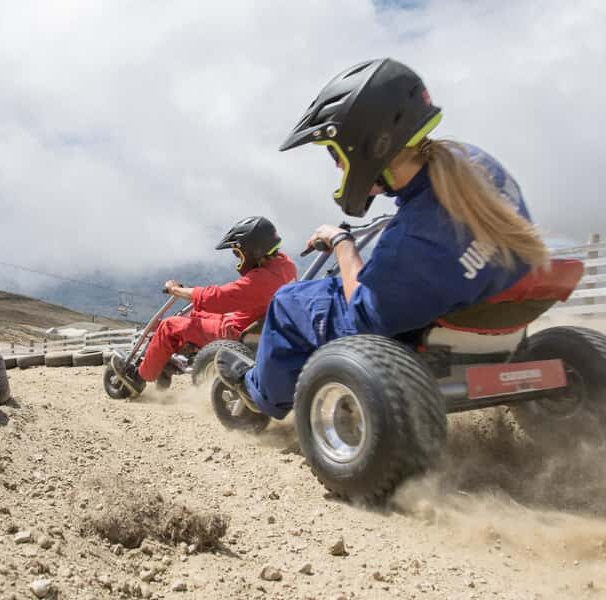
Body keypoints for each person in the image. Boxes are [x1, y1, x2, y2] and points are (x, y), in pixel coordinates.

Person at [215, 58, 550, 419]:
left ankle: (259, 393)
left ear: (368, 146)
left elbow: (362, 316)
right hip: (493, 302)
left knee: (287, 301)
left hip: (415, 323)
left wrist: (342, 242)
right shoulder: (474, 165)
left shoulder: (411, 236)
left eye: (336, 152)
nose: (337, 166)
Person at [110, 216, 297, 395]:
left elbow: (217, 298)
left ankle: (140, 375)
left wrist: (176, 290)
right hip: (253, 324)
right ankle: (169, 358)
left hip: (236, 331)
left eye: (237, 252)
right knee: (197, 312)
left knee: (169, 325)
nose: (237, 257)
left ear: (252, 251)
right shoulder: (285, 266)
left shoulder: (260, 280)